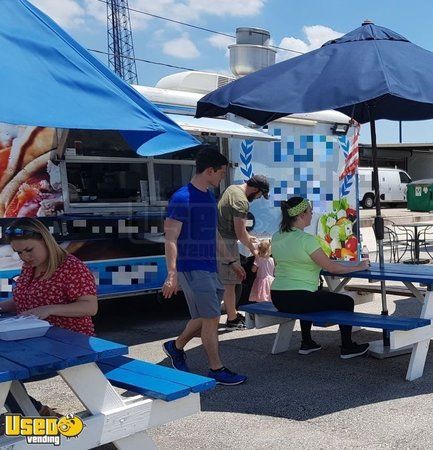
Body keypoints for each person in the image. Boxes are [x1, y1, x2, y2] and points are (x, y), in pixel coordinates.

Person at [162, 148, 247, 385]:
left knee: (204, 316)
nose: (222, 178)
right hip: (191, 267)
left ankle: (175, 346)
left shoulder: (209, 196)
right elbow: (170, 238)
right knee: (211, 319)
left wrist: (231, 260)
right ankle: (216, 368)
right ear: (209, 171)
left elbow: (214, 234)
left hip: (210, 266)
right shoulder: (181, 198)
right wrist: (171, 274)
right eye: (220, 173)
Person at [0, 217, 98, 415]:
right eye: (19, 252)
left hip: (67, 345)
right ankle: (33, 411)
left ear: (46, 240)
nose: (25, 257)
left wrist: (50, 309)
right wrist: (2, 306)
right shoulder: (30, 267)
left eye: (29, 250)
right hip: (35, 341)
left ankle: (32, 413)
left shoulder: (72, 267)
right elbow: (23, 301)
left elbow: (90, 307)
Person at [271, 196, 370, 359]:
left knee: (313, 294)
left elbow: (280, 265)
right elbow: (330, 267)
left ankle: (307, 342)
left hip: (278, 297)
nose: (312, 214)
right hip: (299, 297)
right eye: (310, 212)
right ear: (301, 215)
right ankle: (347, 347)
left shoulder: (277, 236)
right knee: (346, 302)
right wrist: (359, 266)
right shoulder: (306, 239)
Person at [217, 175, 270, 329]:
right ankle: (232, 320)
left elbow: (236, 227)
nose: (259, 197)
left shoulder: (232, 189)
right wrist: (256, 252)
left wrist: (248, 236)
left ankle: (231, 313)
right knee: (230, 284)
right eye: (260, 194)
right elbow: (240, 234)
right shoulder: (242, 202)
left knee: (228, 283)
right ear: (255, 189)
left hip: (220, 238)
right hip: (227, 243)